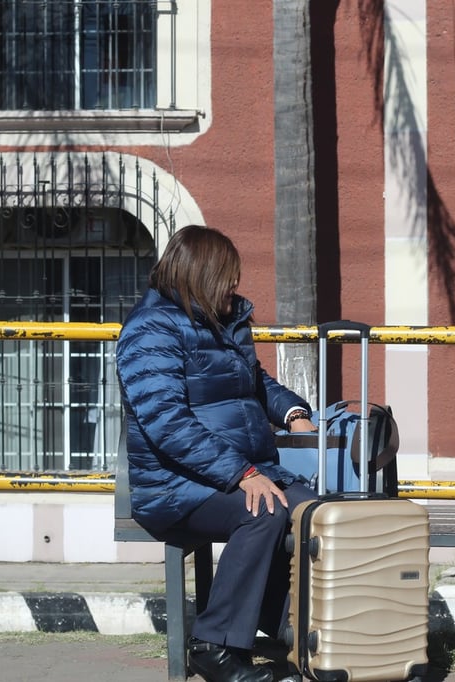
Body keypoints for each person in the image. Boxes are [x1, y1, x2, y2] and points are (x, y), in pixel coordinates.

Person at [115, 225, 318, 682]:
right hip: (172, 488)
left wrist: (293, 413)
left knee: (313, 512)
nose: (235, 285)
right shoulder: (149, 332)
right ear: (201, 274)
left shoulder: (224, 322)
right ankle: (215, 645)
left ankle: (309, 632)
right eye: (228, 275)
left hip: (234, 474)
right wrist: (242, 472)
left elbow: (256, 382)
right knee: (263, 512)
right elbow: (166, 423)